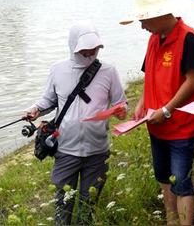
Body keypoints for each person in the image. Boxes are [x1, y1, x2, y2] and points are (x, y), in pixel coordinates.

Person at [24, 21, 127, 225]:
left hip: (98, 151)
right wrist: (35, 110)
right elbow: (49, 101)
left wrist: (121, 111)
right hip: (66, 151)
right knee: (63, 204)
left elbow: (121, 103)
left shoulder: (109, 71)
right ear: (73, 47)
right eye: (85, 51)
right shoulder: (58, 70)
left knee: (88, 207)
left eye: (94, 50)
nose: (90, 54)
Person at [120, 0, 194, 225]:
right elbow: (150, 75)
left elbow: (193, 80)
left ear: (159, 16)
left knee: (181, 179)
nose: (142, 27)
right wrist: (141, 103)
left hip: (182, 125)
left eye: (144, 21)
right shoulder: (153, 39)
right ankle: (171, 220)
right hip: (155, 123)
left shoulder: (189, 38)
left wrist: (167, 110)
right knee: (163, 176)